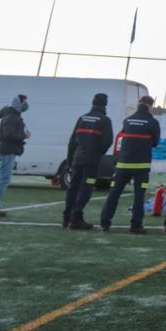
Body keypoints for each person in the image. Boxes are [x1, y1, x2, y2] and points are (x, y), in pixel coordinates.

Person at [100, 94, 160, 233]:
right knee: (139, 196)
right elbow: (155, 142)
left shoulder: (127, 120)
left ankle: (105, 223)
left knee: (114, 194)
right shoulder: (152, 123)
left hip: (123, 164)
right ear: (150, 106)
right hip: (141, 166)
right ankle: (136, 225)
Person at [63, 93, 114, 230]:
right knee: (86, 188)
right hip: (91, 161)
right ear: (105, 104)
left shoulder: (82, 118)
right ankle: (76, 217)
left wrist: (70, 160)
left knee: (73, 188)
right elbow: (108, 141)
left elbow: (72, 141)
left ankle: (66, 217)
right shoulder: (105, 120)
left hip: (77, 159)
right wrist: (98, 153)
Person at [0, 94, 29, 218]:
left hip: (3, 151)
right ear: (18, 104)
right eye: (24, 102)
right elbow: (9, 135)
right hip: (7, 151)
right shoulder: (12, 117)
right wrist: (23, 136)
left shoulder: (9, 116)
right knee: (3, 180)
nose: (26, 105)